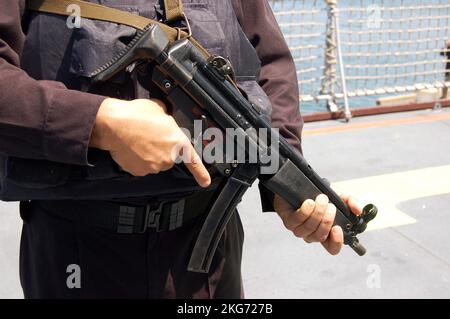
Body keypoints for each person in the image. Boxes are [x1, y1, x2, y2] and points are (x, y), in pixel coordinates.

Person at [0, 0, 361, 298]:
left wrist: (281, 182)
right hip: (77, 252)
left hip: (208, 253)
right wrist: (101, 123)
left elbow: (269, 62)